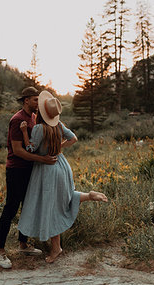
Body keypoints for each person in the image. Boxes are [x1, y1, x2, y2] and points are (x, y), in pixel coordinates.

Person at [18, 90, 108, 263]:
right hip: (62, 165)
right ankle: (88, 195)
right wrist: (59, 147)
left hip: (46, 169)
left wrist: (23, 132)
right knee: (61, 200)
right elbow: (73, 138)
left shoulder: (38, 128)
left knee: (50, 206)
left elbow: (30, 149)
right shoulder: (59, 126)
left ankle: (56, 248)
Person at [0, 87, 58, 269]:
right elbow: (18, 150)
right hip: (16, 170)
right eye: (35, 99)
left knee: (27, 206)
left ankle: (23, 244)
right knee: (10, 208)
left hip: (30, 169)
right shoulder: (17, 120)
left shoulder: (32, 118)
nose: (38, 103)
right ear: (26, 101)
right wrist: (43, 160)